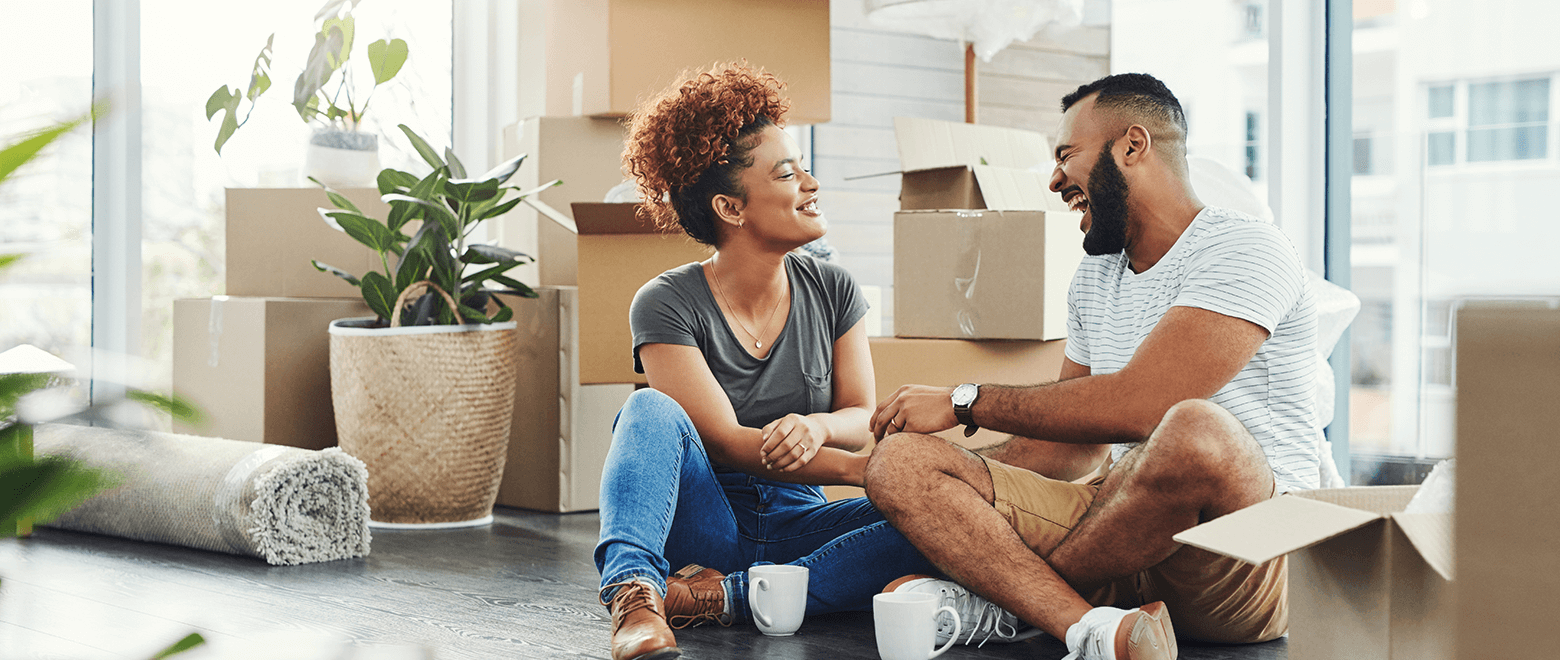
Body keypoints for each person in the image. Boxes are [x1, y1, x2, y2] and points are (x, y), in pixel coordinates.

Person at [863, 73, 1320, 660]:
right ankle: (1091, 627)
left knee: (1195, 431)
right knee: (900, 464)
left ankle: (1014, 605)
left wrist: (963, 400)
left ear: (1132, 146)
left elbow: (1141, 409)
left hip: (1251, 550)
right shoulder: (1095, 279)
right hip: (1121, 533)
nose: (1054, 180)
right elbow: (1064, 453)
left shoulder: (1246, 249)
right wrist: (943, 478)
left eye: (1065, 155)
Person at [593, 63, 939, 660]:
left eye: (804, 166)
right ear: (731, 207)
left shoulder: (834, 289)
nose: (811, 183)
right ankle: (637, 598)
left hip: (802, 524)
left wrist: (820, 426)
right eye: (787, 173)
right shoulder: (665, 302)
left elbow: (860, 413)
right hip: (709, 523)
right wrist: (870, 475)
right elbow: (724, 441)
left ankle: (718, 598)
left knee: (944, 526)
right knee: (646, 409)